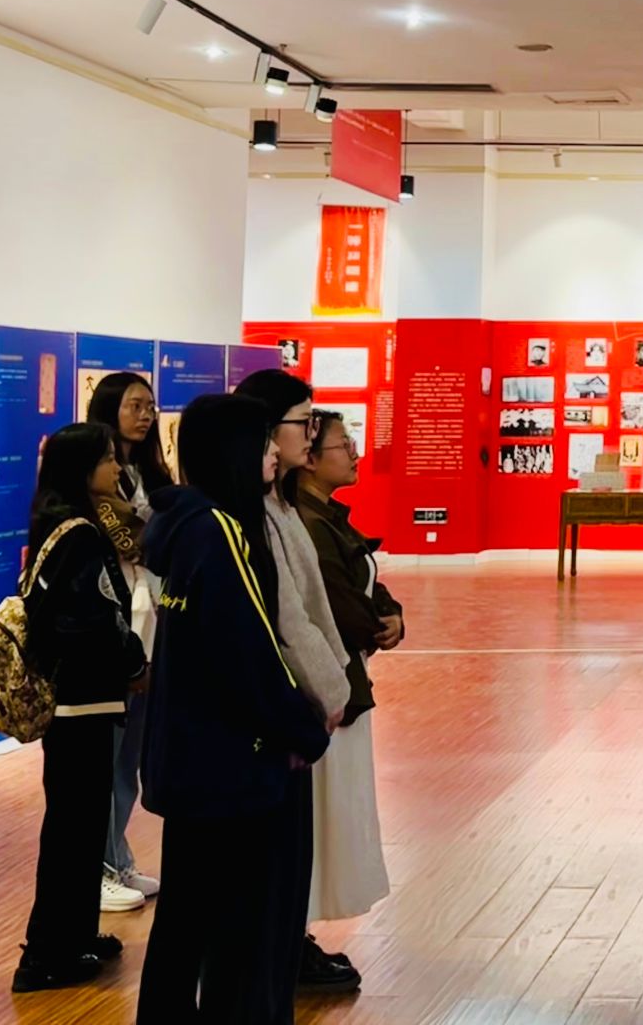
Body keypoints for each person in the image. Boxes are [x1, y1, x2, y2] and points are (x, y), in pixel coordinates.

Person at [136, 393, 332, 1023]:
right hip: (229, 766)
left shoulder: (182, 528)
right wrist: (306, 729)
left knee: (183, 919)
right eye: (263, 440)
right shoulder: (221, 532)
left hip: (188, 759)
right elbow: (253, 652)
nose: (274, 452)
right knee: (238, 926)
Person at [234, 368, 358, 1003]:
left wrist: (333, 682)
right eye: (302, 422)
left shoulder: (281, 506)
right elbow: (288, 620)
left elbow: (314, 613)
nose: (312, 434)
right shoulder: (251, 516)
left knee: (285, 876)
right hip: (279, 720)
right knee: (262, 883)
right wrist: (331, 692)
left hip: (301, 712)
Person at [14, 424, 150, 992]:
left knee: (77, 827)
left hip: (75, 702)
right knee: (74, 830)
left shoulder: (57, 522)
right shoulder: (81, 534)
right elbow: (93, 618)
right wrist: (133, 661)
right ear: (82, 468)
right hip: (84, 702)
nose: (117, 468)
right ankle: (48, 954)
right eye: (108, 459)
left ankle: (74, 936)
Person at [294, 411, 403, 928]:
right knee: (320, 817)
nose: (355, 453)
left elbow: (364, 577)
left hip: (345, 681)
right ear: (310, 458)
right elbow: (336, 604)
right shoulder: (309, 524)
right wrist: (376, 625)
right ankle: (296, 932)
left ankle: (303, 931)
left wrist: (390, 613)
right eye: (344, 444)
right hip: (327, 689)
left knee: (335, 813)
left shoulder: (327, 518)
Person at [85, 371, 173, 911]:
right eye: (134, 406)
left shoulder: (149, 475)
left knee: (130, 757)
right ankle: (96, 866)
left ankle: (117, 856)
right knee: (105, 755)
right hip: (115, 632)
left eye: (150, 407)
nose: (145, 415)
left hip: (153, 627)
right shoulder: (93, 489)